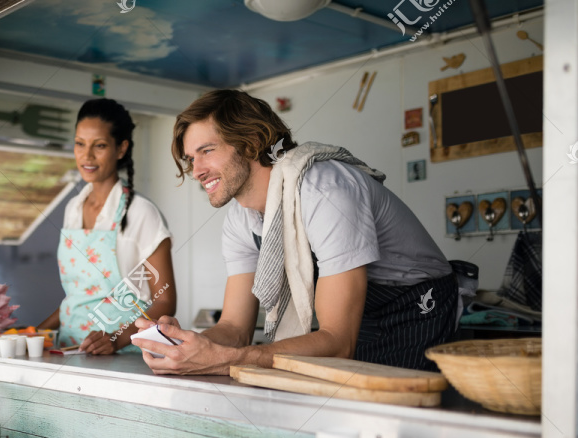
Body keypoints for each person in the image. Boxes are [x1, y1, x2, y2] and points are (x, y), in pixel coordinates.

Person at [133, 90, 457, 374]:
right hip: (354, 319)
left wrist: (225, 360)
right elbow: (234, 328)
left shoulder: (323, 190)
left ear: (251, 142)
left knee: (392, 425)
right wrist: (189, 346)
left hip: (415, 309)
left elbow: (337, 341)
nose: (197, 171)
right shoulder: (240, 220)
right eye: (191, 159)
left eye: (207, 151)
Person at [39, 98, 177, 353]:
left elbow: (165, 300)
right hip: (68, 350)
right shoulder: (72, 209)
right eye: (80, 144)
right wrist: (37, 332)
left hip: (122, 355)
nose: (86, 156)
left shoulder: (141, 213)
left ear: (121, 149)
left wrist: (115, 339)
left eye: (99, 146)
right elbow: (78, 297)